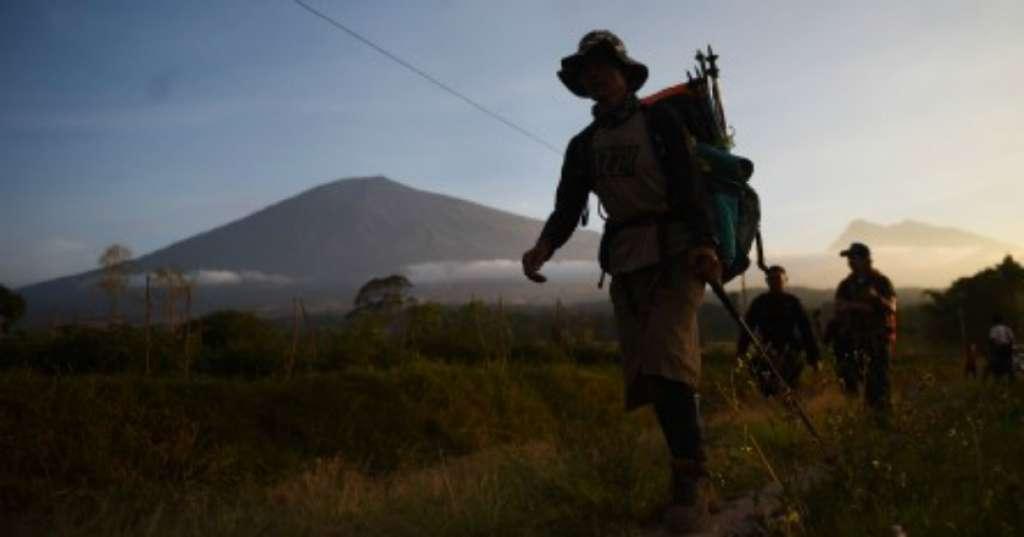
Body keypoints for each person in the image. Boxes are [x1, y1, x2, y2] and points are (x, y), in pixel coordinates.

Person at [521, 30, 720, 533]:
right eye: (589, 71)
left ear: (624, 75)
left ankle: (692, 482)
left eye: (605, 66)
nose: (596, 75)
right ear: (583, 84)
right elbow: (568, 207)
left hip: (675, 249)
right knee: (652, 373)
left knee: (666, 357)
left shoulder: (661, 121)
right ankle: (690, 464)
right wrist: (543, 248)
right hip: (628, 259)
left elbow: (688, 184)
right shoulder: (584, 146)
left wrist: (703, 243)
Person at [736, 265, 820, 396]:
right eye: (771, 279)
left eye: (778, 278)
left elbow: (806, 331)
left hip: (791, 351)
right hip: (766, 352)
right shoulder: (759, 303)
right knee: (768, 390)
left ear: (785, 280)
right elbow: (747, 330)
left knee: (790, 389)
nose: (775, 281)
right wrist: (741, 353)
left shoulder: (793, 302)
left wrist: (814, 359)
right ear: (767, 281)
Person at [833, 242, 897, 412]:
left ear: (866, 259)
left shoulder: (881, 281)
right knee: (850, 380)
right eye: (849, 259)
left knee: (878, 382)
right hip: (853, 340)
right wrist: (861, 307)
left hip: (877, 340)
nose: (850, 262)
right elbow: (839, 306)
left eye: (854, 258)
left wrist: (875, 300)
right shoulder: (846, 284)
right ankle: (857, 415)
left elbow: (891, 307)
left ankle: (881, 419)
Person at [988, 314, 1016, 381]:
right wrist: (1010, 346)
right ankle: (1011, 376)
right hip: (1007, 347)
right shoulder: (1007, 328)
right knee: (1009, 362)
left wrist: (993, 348)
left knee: (995, 362)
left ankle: (997, 376)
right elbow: (1012, 338)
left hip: (998, 348)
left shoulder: (993, 329)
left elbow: (992, 339)